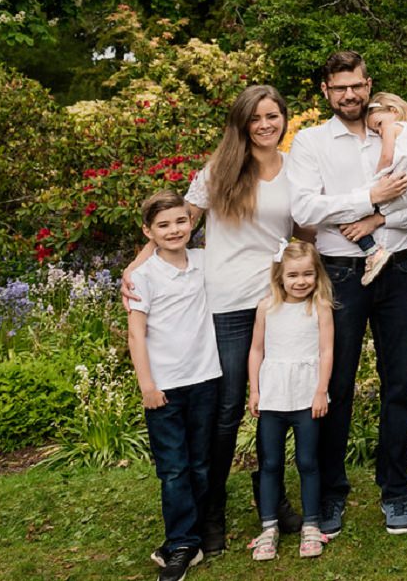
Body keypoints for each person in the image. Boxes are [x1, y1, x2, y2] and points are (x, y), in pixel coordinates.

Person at [124, 85, 306, 554]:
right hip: (226, 301)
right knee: (227, 410)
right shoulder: (218, 171)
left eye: (273, 116)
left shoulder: (296, 171)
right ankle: (212, 511)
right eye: (256, 118)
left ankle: (274, 499)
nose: (266, 125)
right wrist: (135, 267)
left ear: (284, 119)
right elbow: (178, 223)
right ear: (242, 123)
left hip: (275, 300)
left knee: (279, 400)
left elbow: (304, 231)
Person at [289, 51, 407, 539]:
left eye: (357, 86)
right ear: (325, 92)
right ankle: (332, 492)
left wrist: (380, 218)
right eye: (340, 88)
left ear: (368, 83)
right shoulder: (312, 142)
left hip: (396, 270)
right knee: (336, 385)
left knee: (398, 383)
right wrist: (367, 199)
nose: (350, 95)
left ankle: (395, 488)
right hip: (339, 273)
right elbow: (305, 206)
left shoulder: (396, 130)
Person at [127, 190, 222, 581]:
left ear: (192, 223)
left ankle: (191, 537)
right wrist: (147, 384)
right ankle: (181, 544)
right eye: (163, 225)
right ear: (148, 231)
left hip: (205, 379)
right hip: (164, 388)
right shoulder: (143, 277)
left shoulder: (203, 262)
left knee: (200, 464)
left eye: (181, 221)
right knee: (173, 469)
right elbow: (136, 334)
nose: (174, 230)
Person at [246, 241, 335, 561]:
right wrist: (254, 390)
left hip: (306, 397)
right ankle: (268, 527)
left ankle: (311, 525)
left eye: (308, 274)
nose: (301, 281)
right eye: (293, 275)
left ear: (317, 275)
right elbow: (257, 350)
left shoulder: (320, 307)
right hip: (272, 397)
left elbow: (326, 351)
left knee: (308, 462)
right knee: (270, 463)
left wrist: (321, 390)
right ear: (279, 276)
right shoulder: (266, 307)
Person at [359, 93, 407, 286]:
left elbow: (386, 157)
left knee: (346, 212)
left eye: (378, 125)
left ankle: (372, 251)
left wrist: (375, 183)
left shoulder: (392, 128)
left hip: (395, 190)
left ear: (393, 111)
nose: (379, 131)